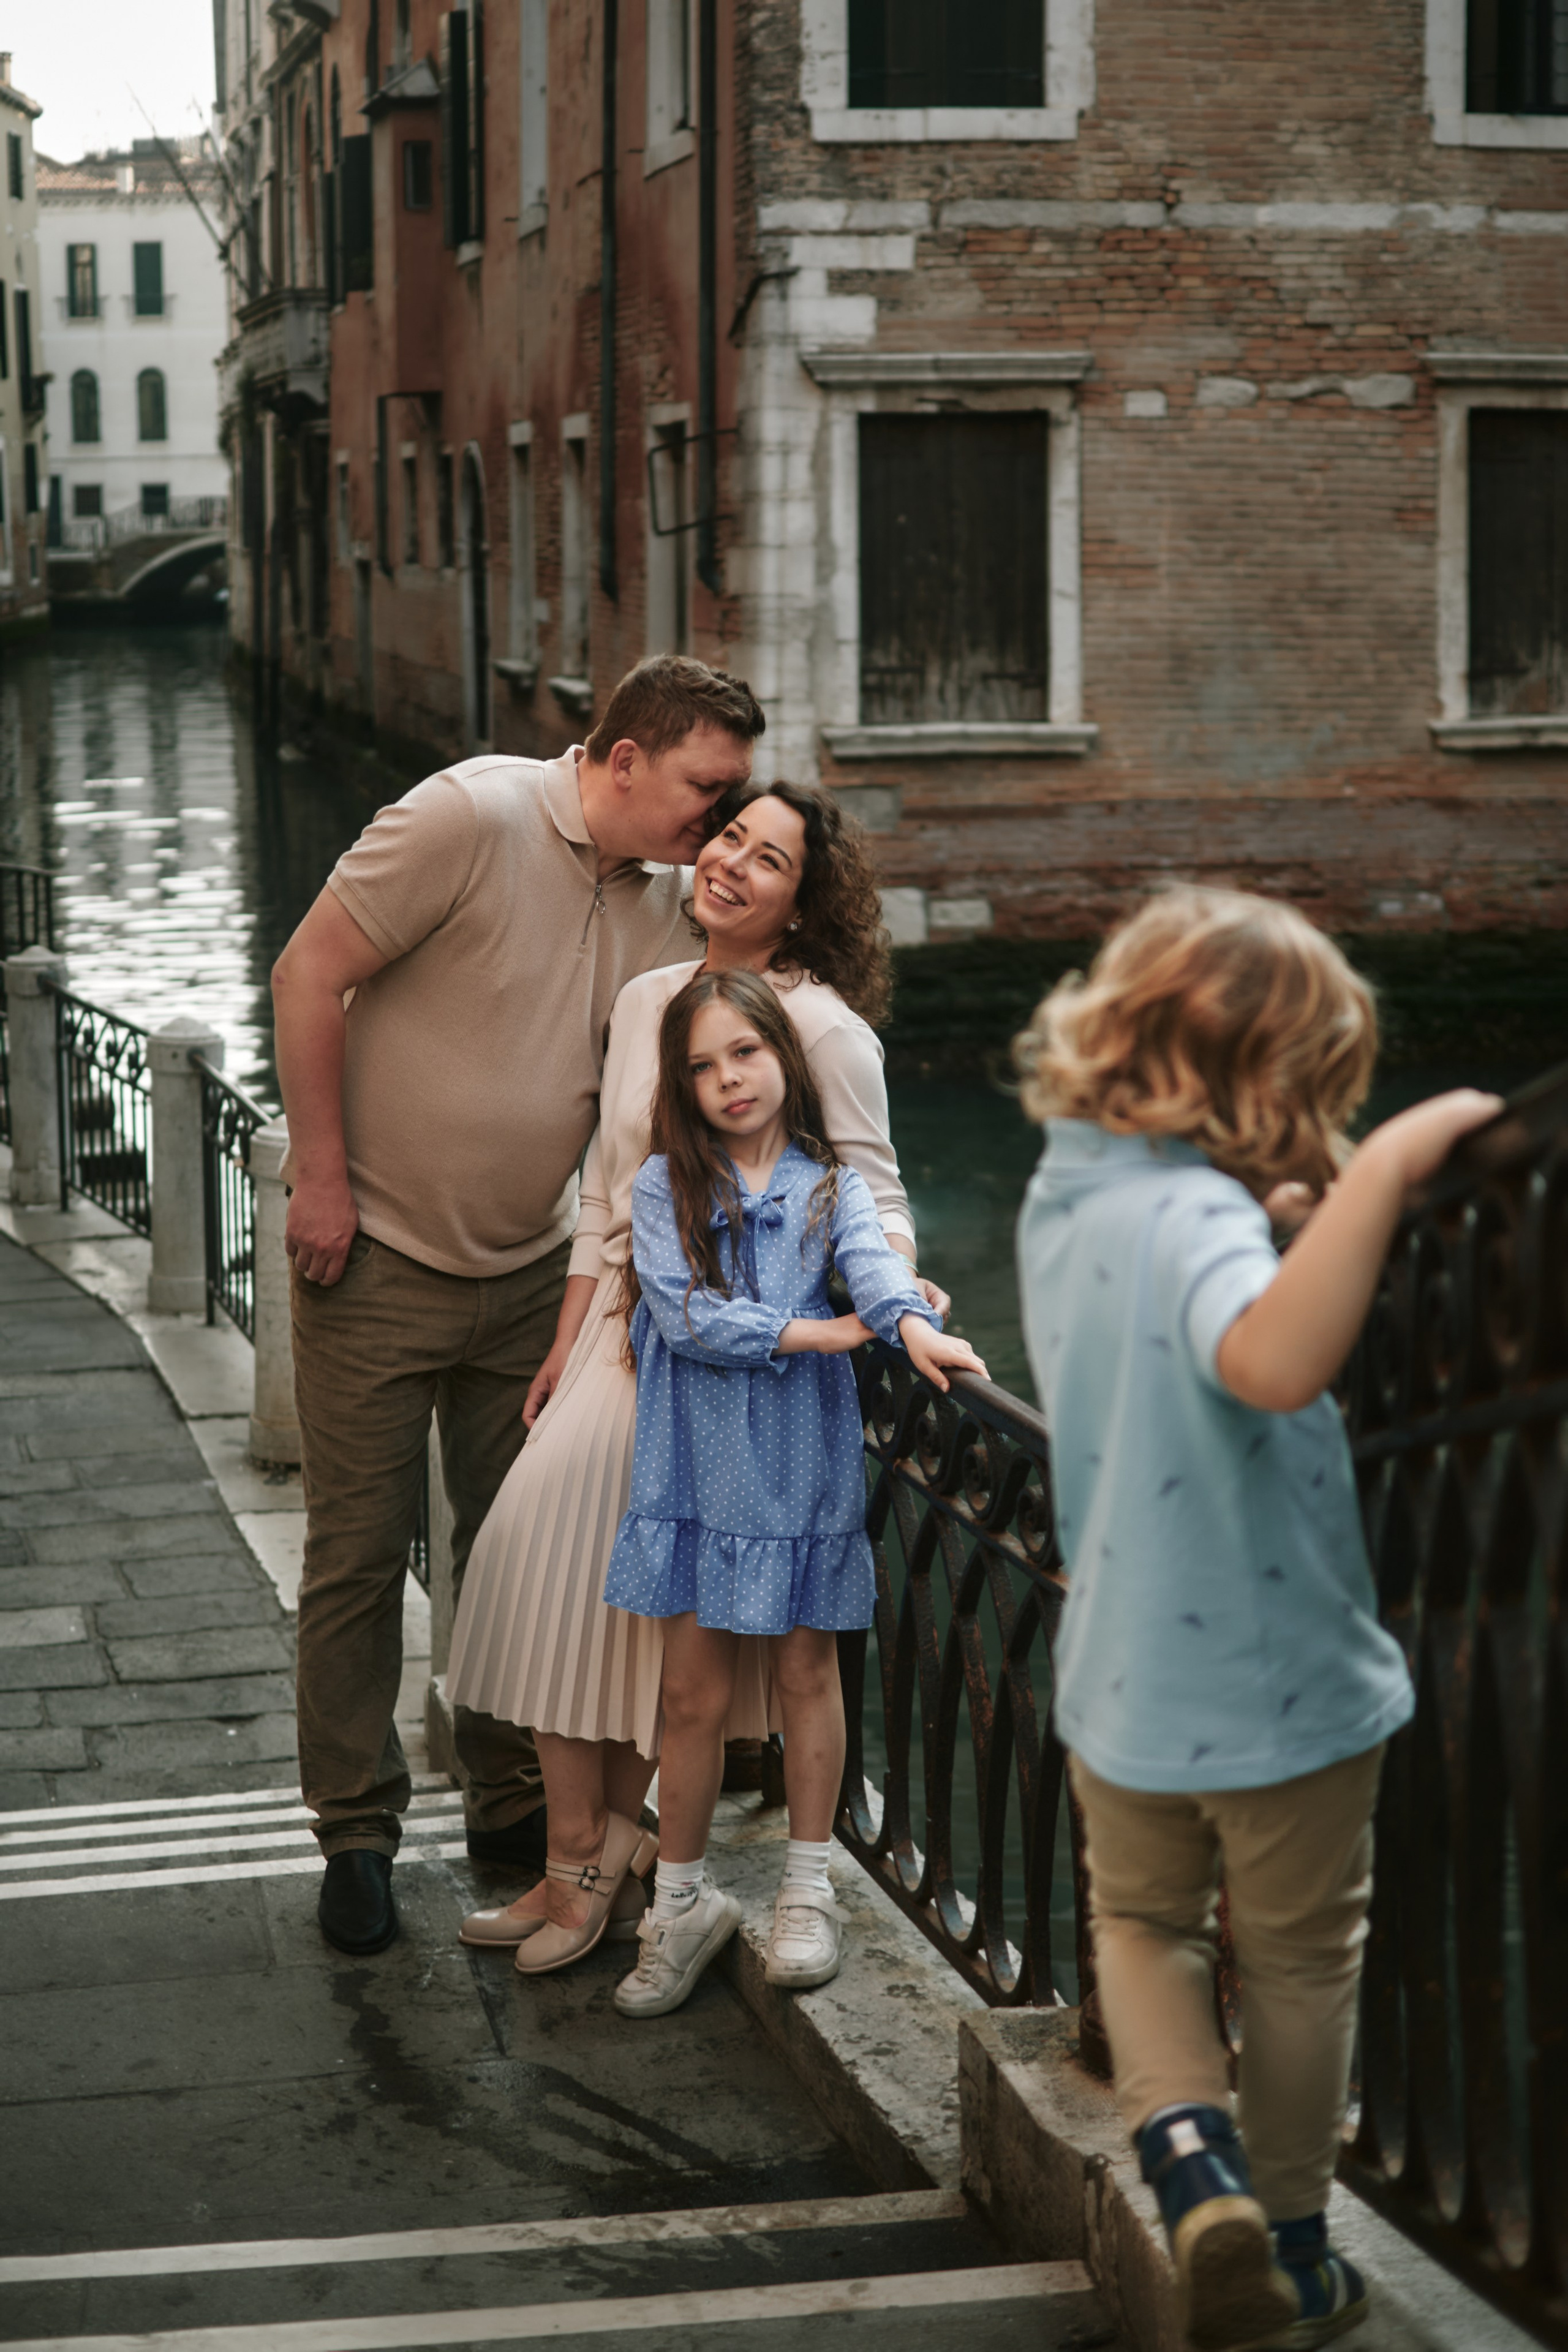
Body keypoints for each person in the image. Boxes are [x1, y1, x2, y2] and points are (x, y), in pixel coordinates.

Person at [1013, 887, 1500, 2352]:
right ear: (1259, 1082)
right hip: (1278, 1684)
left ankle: (1184, 2160)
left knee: (1141, 1925)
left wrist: (1281, 1220)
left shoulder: (1068, 1189)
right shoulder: (1191, 1217)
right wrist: (1397, 1159)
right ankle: (1289, 2243)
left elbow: (1187, 1297)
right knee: (1295, 1960)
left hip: (1118, 1682)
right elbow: (1268, 1358)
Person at [271, 655, 765, 1958]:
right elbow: (307, 975)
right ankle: (357, 1833)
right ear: (622, 757)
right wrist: (319, 1180)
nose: (717, 820)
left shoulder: (670, 900)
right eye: (704, 788)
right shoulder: (466, 815)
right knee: (360, 1556)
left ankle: (509, 1806)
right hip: (366, 1256)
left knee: (517, 1560)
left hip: (534, 1279)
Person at [447, 780, 949, 1971]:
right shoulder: (645, 1000)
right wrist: (570, 1336)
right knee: (553, 1571)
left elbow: (869, 1190)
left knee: (635, 1615)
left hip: (737, 1364)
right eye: (726, 837)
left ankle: (617, 1869)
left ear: (802, 894)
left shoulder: (815, 1026)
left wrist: (890, 1301)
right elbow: (604, 1188)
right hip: (629, 1331)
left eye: (766, 857)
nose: (730, 864)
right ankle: (581, 1864)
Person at [601, 970, 987, 2016]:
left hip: (799, 1462)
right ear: (682, 1088)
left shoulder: (832, 1189)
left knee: (810, 1673)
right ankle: (677, 1903)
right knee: (691, 1693)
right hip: (693, 1460)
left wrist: (909, 1325)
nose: (729, 1080)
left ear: (783, 1057)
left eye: (746, 1054)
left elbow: (874, 1268)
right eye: (703, 1066)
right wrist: (824, 1332)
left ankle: (807, 1889)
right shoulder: (662, 1188)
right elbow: (686, 1319)